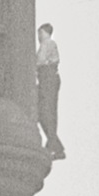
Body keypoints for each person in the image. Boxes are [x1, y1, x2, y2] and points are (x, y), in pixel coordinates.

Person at [36, 23, 65, 159]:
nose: (38, 37)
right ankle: (54, 145)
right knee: (46, 112)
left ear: (45, 33)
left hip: (48, 78)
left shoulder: (47, 43)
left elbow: (40, 61)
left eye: (39, 33)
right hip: (47, 79)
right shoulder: (48, 44)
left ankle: (54, 145)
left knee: (46, 111)